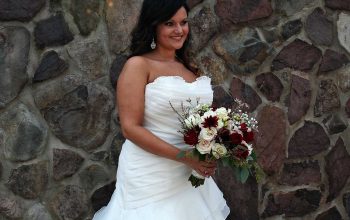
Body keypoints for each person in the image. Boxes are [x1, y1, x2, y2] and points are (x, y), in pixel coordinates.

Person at [92, 0, 230, 219]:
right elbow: (130, 128)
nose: (179, 30)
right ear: (153, 26)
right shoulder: (138, 66)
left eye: (183, 22)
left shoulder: (189, 67)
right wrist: (186, 157)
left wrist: (212, 145)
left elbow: (201, 119)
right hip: (150, 172)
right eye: (169, 23)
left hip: (187, 171)